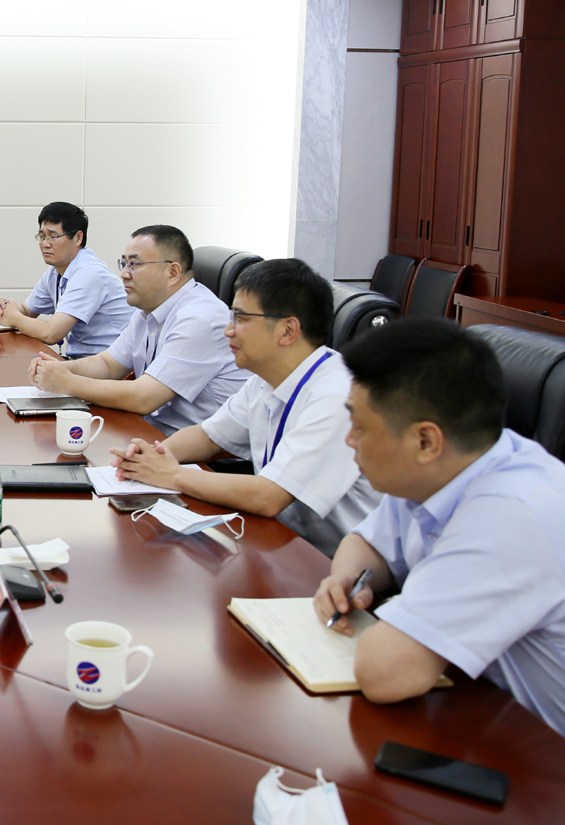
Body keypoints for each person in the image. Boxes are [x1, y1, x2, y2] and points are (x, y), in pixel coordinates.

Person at [313, 318, 565, 734]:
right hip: (480, 708)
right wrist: (346, 579)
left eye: (359, 427)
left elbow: (385, 673)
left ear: (425, 441)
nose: (349, 441)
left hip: (540, 752)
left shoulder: (511, 516)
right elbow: (368, 544)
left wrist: (399, 621)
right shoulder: (443, 467)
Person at [110, 259, 380, 555]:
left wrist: (170, 474)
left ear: (288, 330)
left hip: (337, 562)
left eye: (240, 318)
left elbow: (268, 496)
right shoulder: (266, 379)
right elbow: (207, 437)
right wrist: (152, 456)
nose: (228, 330)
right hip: (281, 541)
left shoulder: (337, 397)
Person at [29, 225, 249, 435]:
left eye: (134, 264)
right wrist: (59, 368)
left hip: (199, 451)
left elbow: (144, 398)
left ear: (172, 272)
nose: (124, 274)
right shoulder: (148, 310)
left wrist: (67, 382)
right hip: (153, 431)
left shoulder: (198, 319)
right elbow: (108, 364)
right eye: (123, 264)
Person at [0, 202, 132, 358]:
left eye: (53, 236)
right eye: (42, 236)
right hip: (85, 362)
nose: (45, 244)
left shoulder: (88, 273)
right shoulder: (55, 273)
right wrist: (2, 308)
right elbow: (26, 311)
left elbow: (52, 334)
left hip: (112, 366)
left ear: (78, 238)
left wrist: (13, 317)